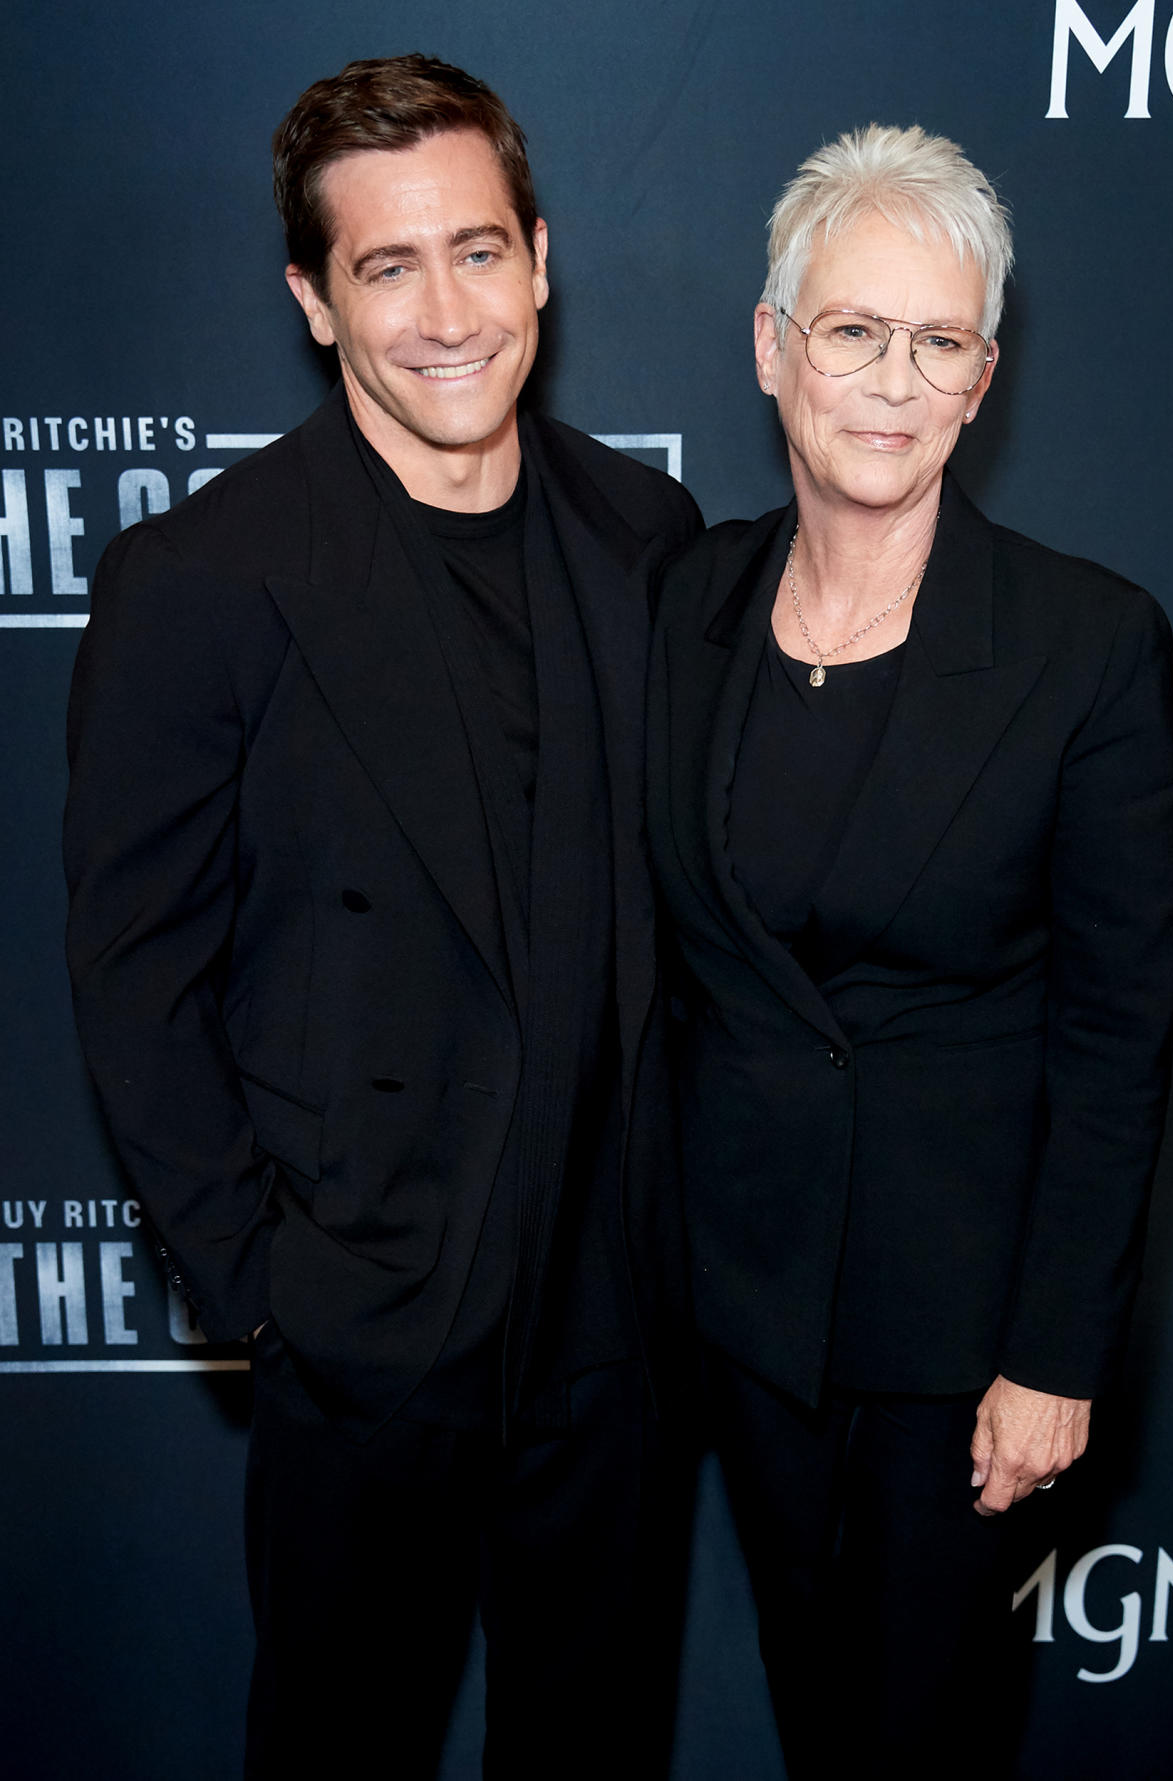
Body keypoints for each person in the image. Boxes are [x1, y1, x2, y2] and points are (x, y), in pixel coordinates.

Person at [64, 53, 700, 1780]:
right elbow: (136, 964)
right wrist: (267, 1287)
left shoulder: (644, 534)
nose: (446, 313)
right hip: (366, 1331)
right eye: (386, 266)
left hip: (611, 1333)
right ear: (311, 299)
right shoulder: (203, 578)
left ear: (543, 259)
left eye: (477, 252)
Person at [647, 124, 1173, 1773]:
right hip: (739, 1317)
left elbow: (1115, 1038)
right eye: (853, 330)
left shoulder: (1085, 645)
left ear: (982, 378)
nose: (890, 380)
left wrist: (1049, 1355)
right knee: (821, 1719)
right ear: (770, 346)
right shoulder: (690, 602)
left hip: (960, 1353)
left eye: (936, 342)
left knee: (917, 1739)